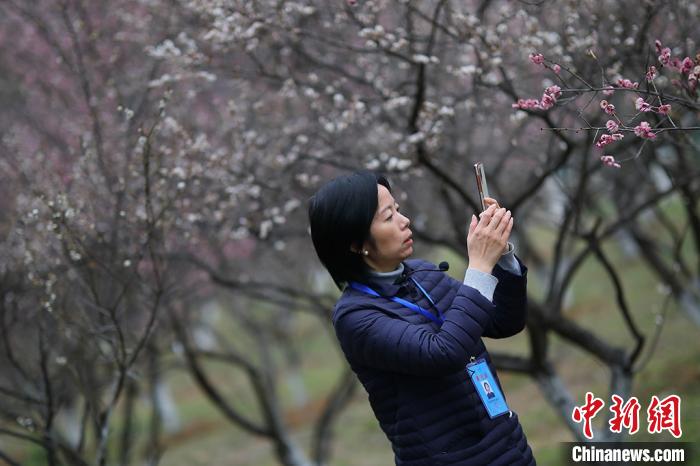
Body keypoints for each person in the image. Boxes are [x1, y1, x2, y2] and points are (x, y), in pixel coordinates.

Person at [308, 170, 535, 465]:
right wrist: (479, 266)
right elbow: (442, 352)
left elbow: (504, 321)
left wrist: (501, 255)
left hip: (508, 445)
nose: (405, 221)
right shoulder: (356, 317)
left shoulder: (423, 274)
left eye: (398, 211)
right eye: (388, 217)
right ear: (355, 243)